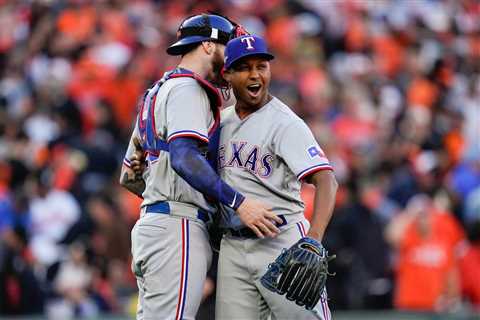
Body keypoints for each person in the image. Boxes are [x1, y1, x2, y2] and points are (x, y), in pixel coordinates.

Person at [119, 15, 282, 320]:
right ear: (208, 45)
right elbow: (184, 157)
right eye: (227, 45)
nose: (233, 57)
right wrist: (239, 202)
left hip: (160, 224)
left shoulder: (156, 92)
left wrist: (162, 190)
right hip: (176, 228)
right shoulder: (188, 89)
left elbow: (129, 176)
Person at [215, 35, 338, 320]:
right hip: (233, 246)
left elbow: (326, 180)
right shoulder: (221, 122)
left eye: (262, 66)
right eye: (245, 67)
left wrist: (313, 240)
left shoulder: (285, 122)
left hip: (281, 242)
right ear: (228, 74)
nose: (255, 74)